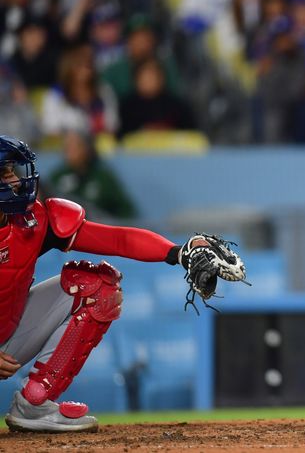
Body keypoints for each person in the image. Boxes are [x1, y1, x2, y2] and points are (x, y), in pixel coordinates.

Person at [0, 135, 243, 432]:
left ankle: (33, 404)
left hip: (8, 338)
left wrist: (177, 252)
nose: (14, 180)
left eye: (12, 170)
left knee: (98, 287)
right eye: (4, 173)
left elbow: (118, 239)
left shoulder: (34, 221)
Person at [47, 130, 137, 219]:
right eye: (66, 148)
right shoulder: (58, 177)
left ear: (87, 148)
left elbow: (125, 210)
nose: (69, 153)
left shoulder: (103, 177)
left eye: (74, 147)